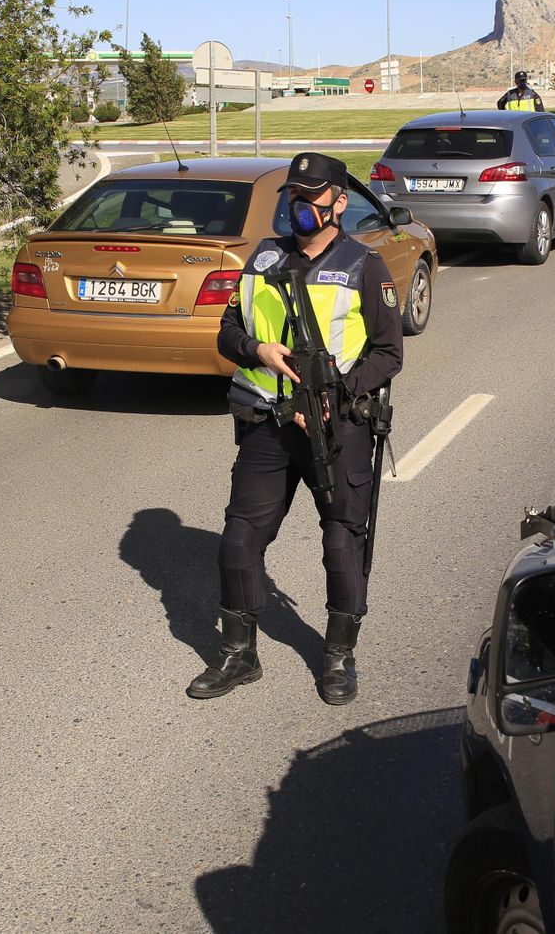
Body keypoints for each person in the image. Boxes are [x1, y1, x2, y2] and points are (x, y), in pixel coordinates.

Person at [187, 152, 404, 706]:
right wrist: (256, 348)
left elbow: (387, 353)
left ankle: (338, 656)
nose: (297, 205)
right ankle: (239, 655)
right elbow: (227, 331)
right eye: (293, 195)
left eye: (309, 196)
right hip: (267, 423)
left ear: (338, 202)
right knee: (239, 540)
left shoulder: (363, 266)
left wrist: (339, 395)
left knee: (341, 542)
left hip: (336, 431)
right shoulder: (261, 259)